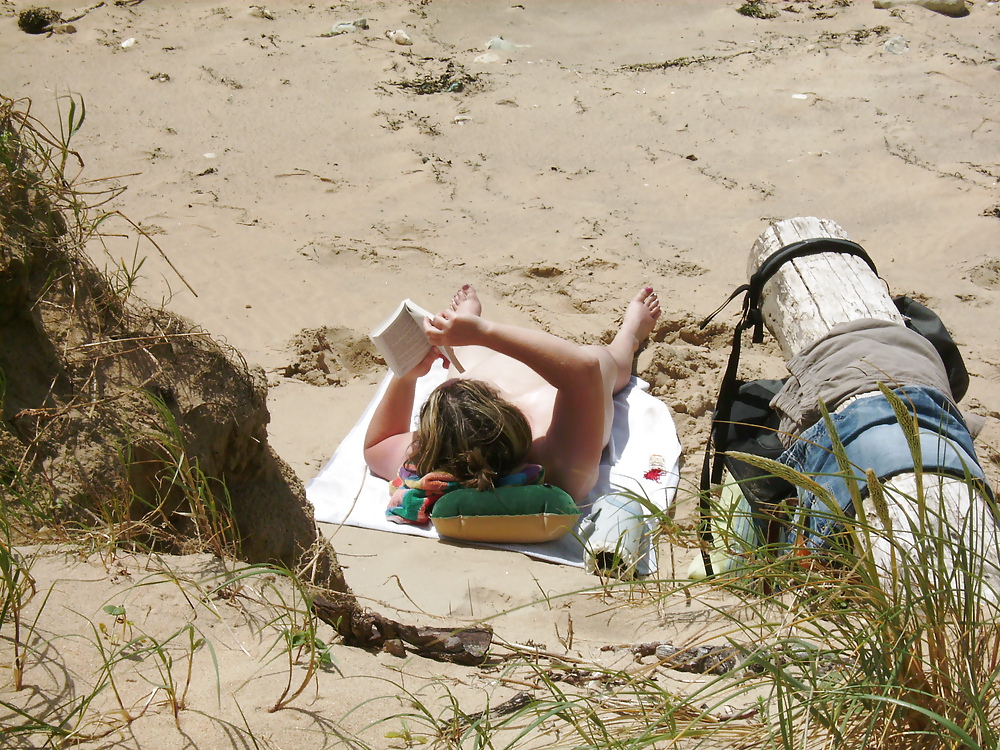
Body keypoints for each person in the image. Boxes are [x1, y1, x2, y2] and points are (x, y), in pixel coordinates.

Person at [363, 285, 660, 502]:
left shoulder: (438, 453)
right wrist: (484, 332)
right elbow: (583, 369)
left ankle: (467, 332)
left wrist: (407, 376)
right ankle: (631, 332)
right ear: (500, 407)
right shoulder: (558, 467)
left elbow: (379, 443)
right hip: (555, 374)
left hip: (486, 367)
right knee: (611, 363)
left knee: (466, 363)